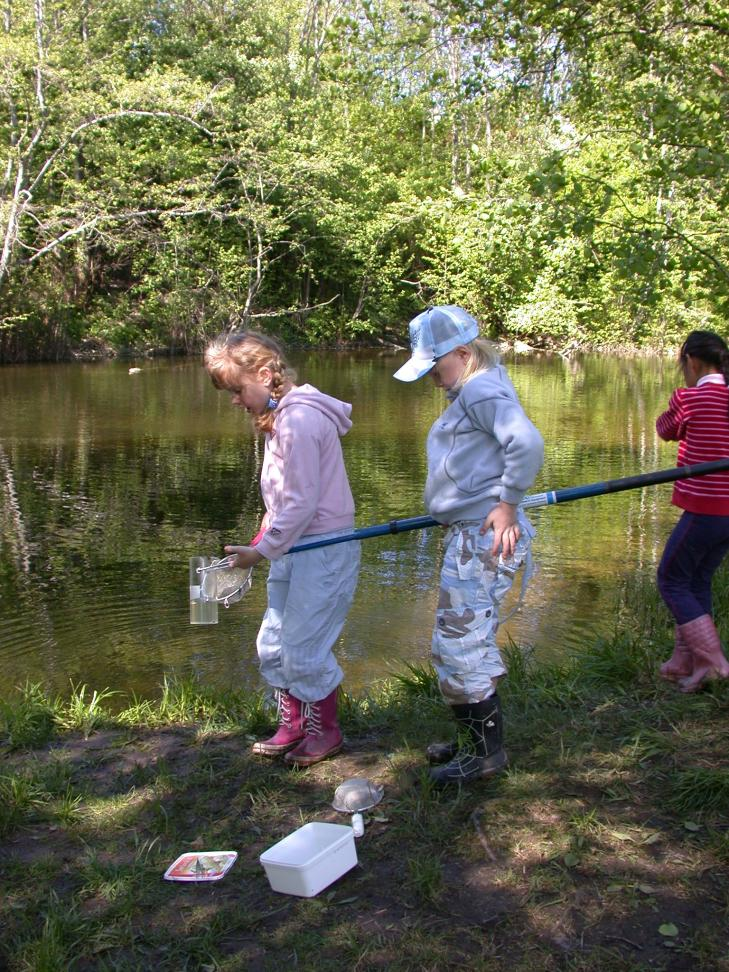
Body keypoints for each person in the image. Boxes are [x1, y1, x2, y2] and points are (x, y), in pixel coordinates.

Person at [394, 306, 544, 785]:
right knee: (466, 641)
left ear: (462, 353)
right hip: (472, 531)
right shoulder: (481, 386)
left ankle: (484, 757)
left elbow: (528, 443)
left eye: (436, 369)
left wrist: (507, 503)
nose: (434, 381)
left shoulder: (479, 390)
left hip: (483, 535)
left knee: (459, 646)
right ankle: (476, 743)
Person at [204, 331, 361, 765]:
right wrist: (263, 536)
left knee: (304, 645)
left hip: (325, 550)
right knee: (273, 642)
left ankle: (324, 730)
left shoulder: (300, 421)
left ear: (266, 374)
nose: (235, 400)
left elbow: (302, 502)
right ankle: (292, 723)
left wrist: (260, 552)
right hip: (294, 546)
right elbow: (285, 498)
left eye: (237, 390)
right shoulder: (280, 418)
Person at [656, 329, 729, 693]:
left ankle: (714, 662)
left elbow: (666, 430)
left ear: (693, 362)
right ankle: (689, 660)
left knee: (670, 578)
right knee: (696, 579)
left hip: (706, 509)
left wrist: (675, 409)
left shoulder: (689, 398)